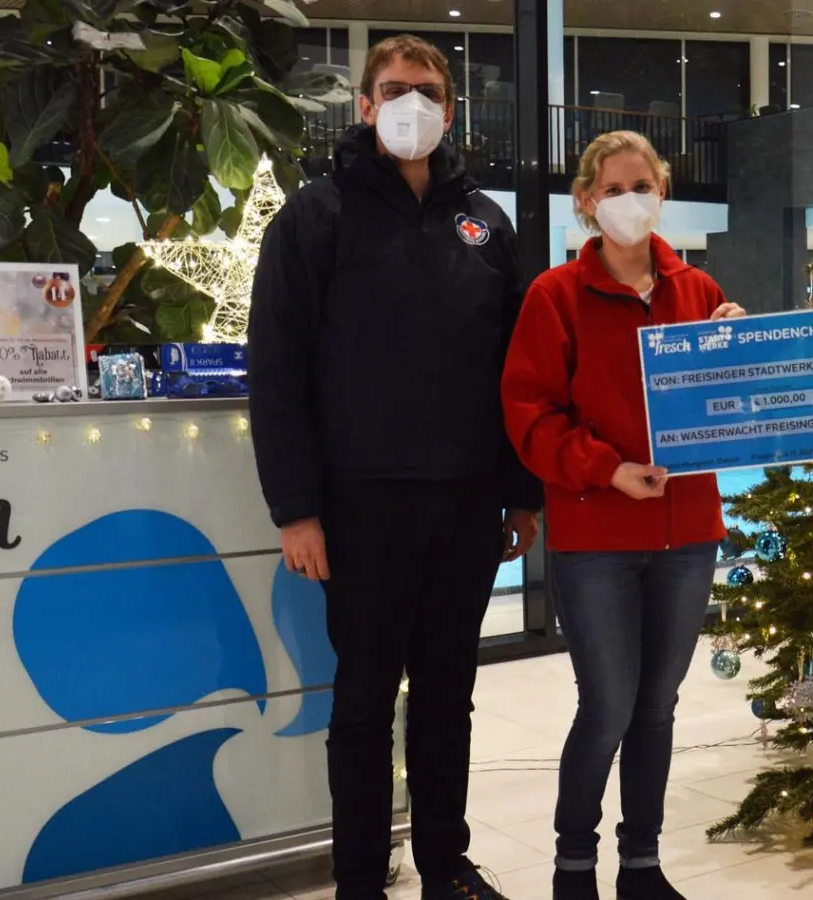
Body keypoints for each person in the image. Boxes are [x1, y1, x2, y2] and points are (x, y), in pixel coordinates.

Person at [247, 34, 542, 900]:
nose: (411, 103)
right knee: (366, 702)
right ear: (366, 105)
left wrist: (522, 494)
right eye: (394, 88)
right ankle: (359, 883)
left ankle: (445, 865)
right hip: (360, 506)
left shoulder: (485, 223)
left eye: (428, 90)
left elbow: (518, 371)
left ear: (449, 108)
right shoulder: (316, 217)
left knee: (449, 696)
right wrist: (296, 510)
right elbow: (278, 370)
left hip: (468, 503)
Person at [501, 131, 744, 900]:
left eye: (643, 186)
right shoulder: (554, 296)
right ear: (585, 201)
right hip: (597, 539)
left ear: (663, 193)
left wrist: (736, 347)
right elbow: (530, 415)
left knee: (656, 709)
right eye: (613, 189)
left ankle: (642, 865)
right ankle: (574, 868)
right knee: (607, 706)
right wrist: (607, 469)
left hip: (687, 537)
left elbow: (723, 406)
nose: (630, 200)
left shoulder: (698, 291)